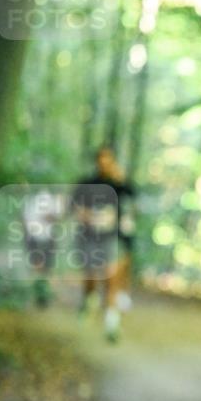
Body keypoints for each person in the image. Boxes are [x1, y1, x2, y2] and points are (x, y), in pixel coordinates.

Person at [72, 146, 136, 342]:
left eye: (108, 160)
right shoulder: (86, 184)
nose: (104, 164)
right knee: (91, 278)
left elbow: (132, 206)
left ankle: (111, 324)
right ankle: (88, 301)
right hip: (91, 238)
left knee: (112, 280)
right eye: (101, 160)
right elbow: (75, 208)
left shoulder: (121, 185)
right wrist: (88, 217)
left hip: (113, 239)